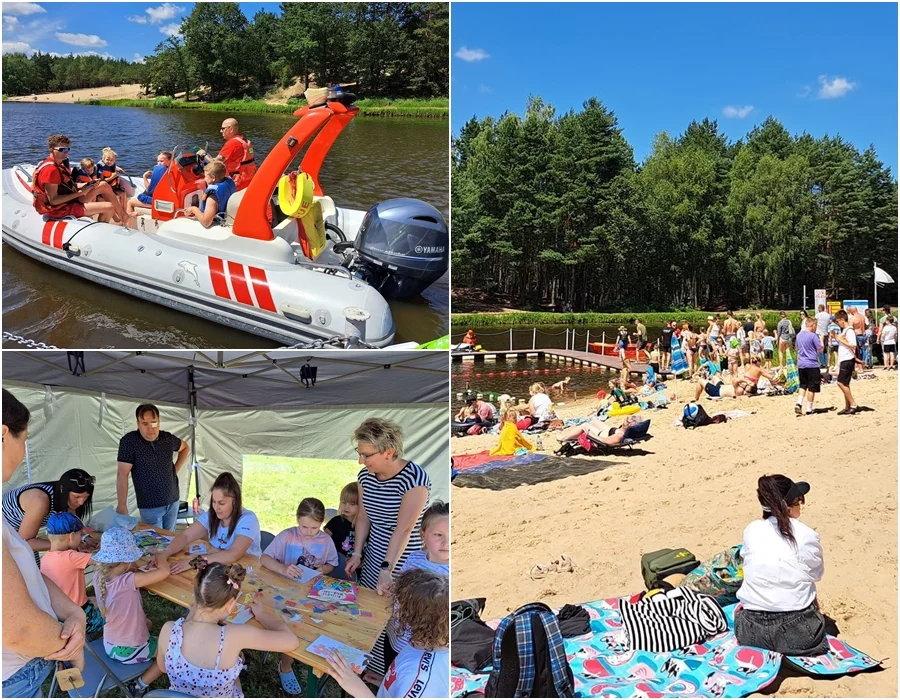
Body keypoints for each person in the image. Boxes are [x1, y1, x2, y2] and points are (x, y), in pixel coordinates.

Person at [2, 389, 88, 698]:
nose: (23, 451)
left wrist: (73, 614)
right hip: (14, 677)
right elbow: (17, 628)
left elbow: (26, 573)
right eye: (23, 441)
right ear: (2, 435)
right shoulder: (40, 499)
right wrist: (71, 648)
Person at [344, 418, 430, 678]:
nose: (361, 461)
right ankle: (368, 667)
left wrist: (387, 568)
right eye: (359, 453)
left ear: (389, 452)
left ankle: (389, 675)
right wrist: (358, 553)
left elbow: (403, 530)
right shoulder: (365, 477)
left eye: (366, 454)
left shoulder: (415, 479)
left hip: (403, 562)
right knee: (371, 612)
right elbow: (363, 517)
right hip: (374, 558)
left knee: (396, 620)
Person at [158, 560, 298, 698]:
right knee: (236, 661)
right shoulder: (234, 636)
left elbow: (163, 668)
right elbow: (291, 641)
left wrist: (190, 616)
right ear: (230, 605)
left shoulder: (169, 630)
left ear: (197, 596)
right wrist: (261, 616)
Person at [735, 475, 827, 656]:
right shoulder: (806, 535)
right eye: (799, 500)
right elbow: (816, 574)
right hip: (798, 634)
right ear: (789, 506)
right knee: (807, 590)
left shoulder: (752, 530)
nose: (800, 504)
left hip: (750, 633)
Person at [325, 568, 449, 699]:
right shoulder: (422, 642)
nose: (396, 608)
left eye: (401, 604)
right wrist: (387, 683)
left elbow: (416, 684)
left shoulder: (420, 677)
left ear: (414, 616)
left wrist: (360, 690)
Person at [261, 498, 338, 694]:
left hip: (311, 595)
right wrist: (283, 568)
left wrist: (323, 568)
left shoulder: (326, 540)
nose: (309, 532)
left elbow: (332, 564)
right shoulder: (287, 536)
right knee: (289, 626)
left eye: (314, 527)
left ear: (321, 523)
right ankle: (285, 666)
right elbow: (264, 558)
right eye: (304, 527)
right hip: (284, 592)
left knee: (304, 628)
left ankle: (292, 661)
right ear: (297, 519)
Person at [93, 528, 169, 695]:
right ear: (127, 560)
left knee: (147, 623)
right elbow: (165, 572)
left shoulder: (99, 575)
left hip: (110, 644)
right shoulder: (128, 581)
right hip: (131, 649)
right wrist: (160, 556)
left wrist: (132, 569)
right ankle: (139, 685)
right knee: (171, 650)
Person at [384, 502, 449, 671]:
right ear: (423, 535)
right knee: (390, 671)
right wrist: (391, 587)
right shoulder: (413, 558)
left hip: (423, 647)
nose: (446, 542)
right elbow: (400, 590)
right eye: (438, 535)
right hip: (396, 635)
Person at [162, 472, 263, 575]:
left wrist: (194, 562)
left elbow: (233, 554)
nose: (216, 507)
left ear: (235, 501)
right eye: (213, 502)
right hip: (219, 569)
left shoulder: (248, 519)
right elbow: (186, 536)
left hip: (247, 573)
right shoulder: (211, 514)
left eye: (221, 503)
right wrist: (165, 553)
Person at [117, 403, 190, 531]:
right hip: (150, 506)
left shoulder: (167, 438)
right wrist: (122, 504)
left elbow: (185, 448)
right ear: (138, 423)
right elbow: (122, 474)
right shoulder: (129, 442)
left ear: (159, 422)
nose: (150, 428)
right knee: (155, 544)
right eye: (145, 424)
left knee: (170, 539)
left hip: (173, 499)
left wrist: (175, 469)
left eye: (154, 423)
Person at [3, 467, 97, 565]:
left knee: (34, 571)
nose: (81, 502)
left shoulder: (67, 499)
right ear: (63, 491)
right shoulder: (40, 501)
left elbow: (71, 528)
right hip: (7, 532)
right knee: (27, 570)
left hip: (19, 535)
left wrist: (85, 538)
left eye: (85, 497)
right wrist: (64, 545)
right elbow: (25, 542)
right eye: (76, 497)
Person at [31, 134, 126, 223]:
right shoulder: (50, 170)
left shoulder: (61, 164)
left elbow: (67, 185)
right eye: (62, 150)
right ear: (51, 150)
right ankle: (99, 234)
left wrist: (88, 184)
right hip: (59, 209)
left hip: (69, 198)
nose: (66, 152)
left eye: (68, 149)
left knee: (103, 185)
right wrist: (80, 193)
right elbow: (53, 200)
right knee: (109, 207)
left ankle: (123, 216)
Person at [40, 513, 104, 636]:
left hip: (59, 614)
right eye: (80, 534)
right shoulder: (71, 557)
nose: (81, 538)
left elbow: (70, 568)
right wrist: (104, 547)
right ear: (71, 536)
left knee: (99, 601)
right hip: (80, 614)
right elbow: (104, 560)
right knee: (117, 614)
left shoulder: (47, 557)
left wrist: (83, 557)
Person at [185, 161, 236, 228]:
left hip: (218, 225)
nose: (204, 179)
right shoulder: (228, 183)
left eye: (205, 176)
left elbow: (206, 222)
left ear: (213, 178)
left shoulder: (212, 197)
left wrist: (194, 209)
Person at [325, 482, 360, 581]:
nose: (346, 507)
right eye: (343, 502)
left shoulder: (366, 527)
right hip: (334, 568)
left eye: (352, 504)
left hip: (358, 570)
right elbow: (323, 540)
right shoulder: (335, 522)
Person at [126, 150, 172, 220]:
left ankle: (128, 226)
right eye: (158, 161)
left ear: (169, 161)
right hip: (167, 199)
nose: (159, 163)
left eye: (161, 161)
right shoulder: (171, 171)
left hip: (160, 202)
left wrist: (144, 177)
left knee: (130, 202)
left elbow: (149, 190)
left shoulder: (161, 172)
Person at [214, 118, 257, 190]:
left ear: (231, 129)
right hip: (249, 178)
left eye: (223, 128)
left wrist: (203, 155)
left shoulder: (232, 143)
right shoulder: (245, 141)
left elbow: (217, 162)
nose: (221, 131)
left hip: (237, 182)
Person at [832, 309, 860, 415]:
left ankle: (853, 404)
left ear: (842, 319)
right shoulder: (845, 331)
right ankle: (847, 406)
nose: (837, 323)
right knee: (845, 384)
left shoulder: (849, 331)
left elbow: (853, 345)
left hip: (847, 359)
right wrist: (837, 337)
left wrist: (840, 340)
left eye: (838, 321)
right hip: (844, 359)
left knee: (840, 382)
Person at [794, 317, 824, 416]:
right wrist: (822, 339)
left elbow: (797, 348)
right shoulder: (813, 336)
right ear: (812, 325)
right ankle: (809, 408)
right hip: (812, 364)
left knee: (803, 385)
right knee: (812, 387)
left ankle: (799, 402)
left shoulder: (799, 335)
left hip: (801, 364)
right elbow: (820, 349)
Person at [96, 147, 128, 213]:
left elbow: (112, 167)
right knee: (116, 198)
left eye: (111, 160)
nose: (109, 162)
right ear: (103, 159)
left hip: (112, 187)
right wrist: (113, 176)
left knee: (123, 193)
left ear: (114, 161)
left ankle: (124, 211)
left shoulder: (111, 165)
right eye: (107, 159)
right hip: (104, 190)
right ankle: (120, 213)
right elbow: (102, 182)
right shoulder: (101, 168)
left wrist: (117, 168)